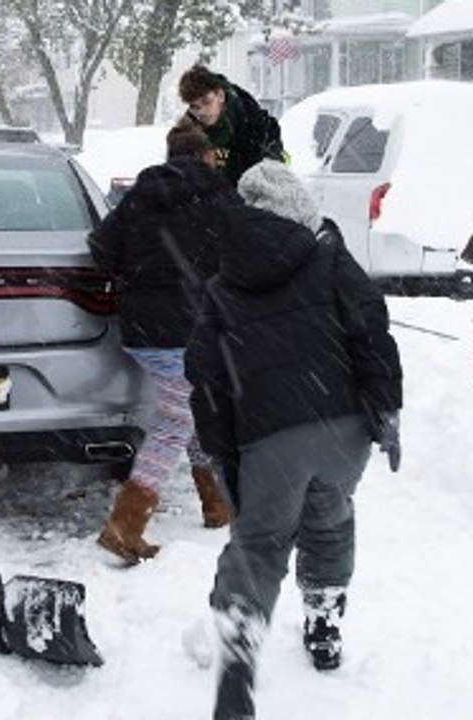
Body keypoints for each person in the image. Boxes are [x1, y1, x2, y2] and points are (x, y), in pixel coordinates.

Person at [184, 159, 402, 720]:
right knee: (330, 517)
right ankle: (325, 622)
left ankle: (238, 645)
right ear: (298, 208)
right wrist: (386, 408)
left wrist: (222, 455)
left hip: (268, 438)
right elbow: (371, 331)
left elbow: (206, 377)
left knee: (258, 546)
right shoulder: (328, 253)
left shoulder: (222, 283)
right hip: (341, 430)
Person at [87, 122, 241, 565]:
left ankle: (218, 505)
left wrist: (137, 274)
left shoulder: (140, 195)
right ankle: (124, 527)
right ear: (207, 155)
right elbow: (243, 254)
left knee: (194, 408)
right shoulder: (219, 196)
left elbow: (102, 245)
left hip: (142, 329)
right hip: (192, 327)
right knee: (176, 421)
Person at [178, 64, 285, 185]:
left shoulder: (252, 120)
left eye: (206, 101)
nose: (201, 112)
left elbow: (268, 173)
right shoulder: (186, 133)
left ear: (220, 96)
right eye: (194, 106)